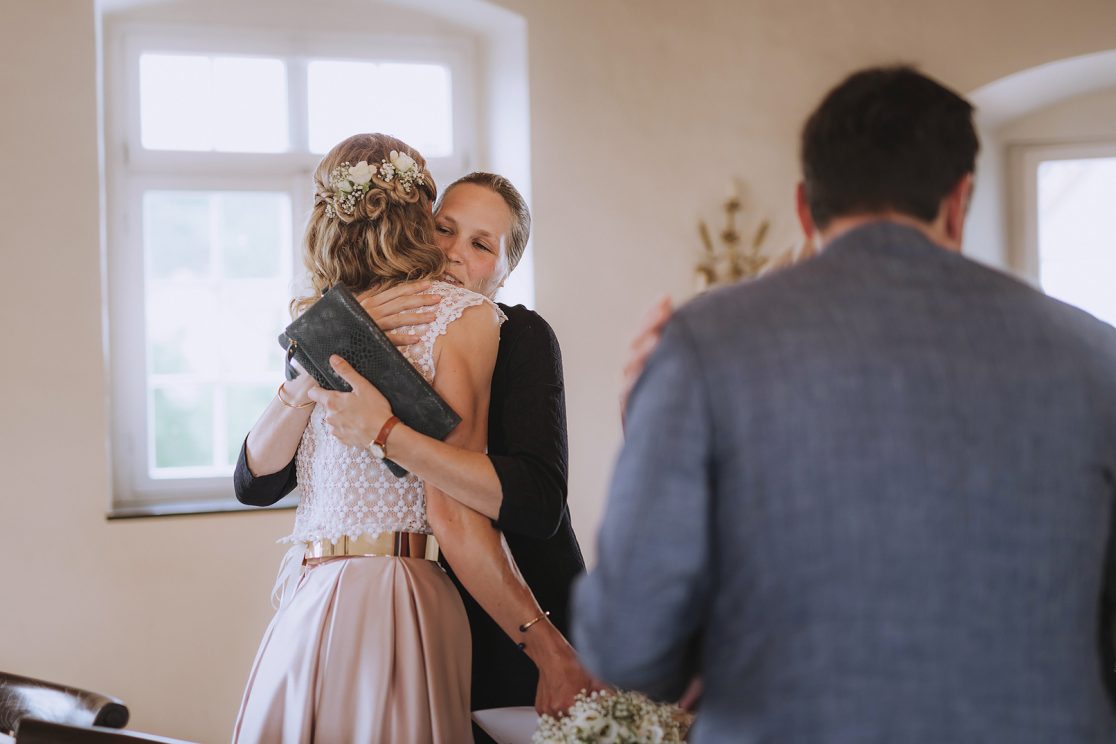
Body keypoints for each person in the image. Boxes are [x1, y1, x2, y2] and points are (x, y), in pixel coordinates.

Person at [573, 65, 1116, 743]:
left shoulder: (708, 343)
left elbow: (628, 644)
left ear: (805, 206)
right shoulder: (1096, 354)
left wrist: (649, 417)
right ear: (959, 200)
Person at [234, 171, 597, 740]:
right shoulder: (363, 324)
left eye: (481, 245)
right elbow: (255, 483)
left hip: (520, 615)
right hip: (394, 613)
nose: (454, 253)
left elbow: (535, 501)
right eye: (443, 230)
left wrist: (387, 434)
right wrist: (326, 355)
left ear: (506, 270)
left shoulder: (518, 334)